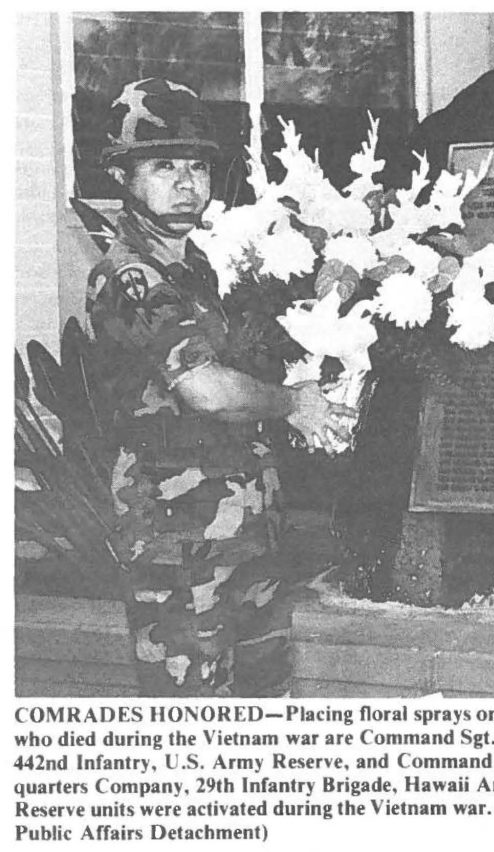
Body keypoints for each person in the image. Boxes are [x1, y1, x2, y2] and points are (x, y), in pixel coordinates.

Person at [85, 78, 350, 696]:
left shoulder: (198, 268)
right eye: (162, 166)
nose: (185, 183)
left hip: (246, 529)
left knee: (262, 700)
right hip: (180, 536)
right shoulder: (132, 278)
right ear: (123, 178)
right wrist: (295, 404)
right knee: (193, 715)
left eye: (197, 167)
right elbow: (203, 389)